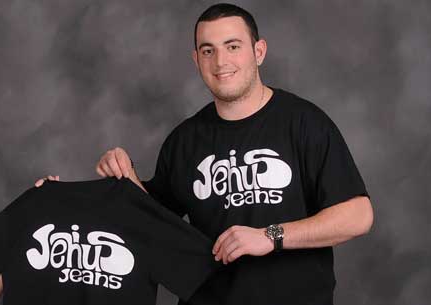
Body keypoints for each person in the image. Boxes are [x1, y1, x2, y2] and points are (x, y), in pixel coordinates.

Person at [88, 3, 373, 305]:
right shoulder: (184, 140)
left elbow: (358, 215)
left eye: (233, 46)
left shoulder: (304, 123)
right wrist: (120, 179)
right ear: (196, 60)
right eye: (208, 50)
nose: (221, 61)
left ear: (258, 51)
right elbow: (151, 223)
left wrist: (270, 236)